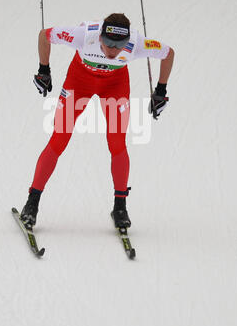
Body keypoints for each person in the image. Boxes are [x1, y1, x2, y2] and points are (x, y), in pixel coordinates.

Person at [20, 13, 174, 230]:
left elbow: (168, 54)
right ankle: (32, 203)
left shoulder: (137, 43)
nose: (112, 50)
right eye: (108, 43)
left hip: (115, 85)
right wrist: (43, 70)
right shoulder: (83, 35)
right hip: (79, 81)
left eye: (118, 45)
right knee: (59, 139)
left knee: (117, 143)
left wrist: (161, 91)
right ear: (99, 36)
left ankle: (120, 206)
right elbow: (45, 35)